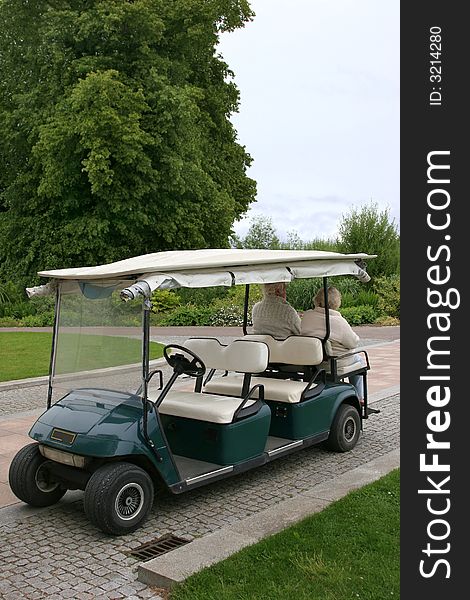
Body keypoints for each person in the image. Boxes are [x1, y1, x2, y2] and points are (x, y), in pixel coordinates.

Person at [300, 286, 365, 402]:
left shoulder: (307, 316)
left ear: (317, 299)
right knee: (360, 360)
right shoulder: (338, 321)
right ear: (336, 302)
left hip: (313, 362)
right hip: (333, 364)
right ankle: (359, 398)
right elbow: (353, 342)